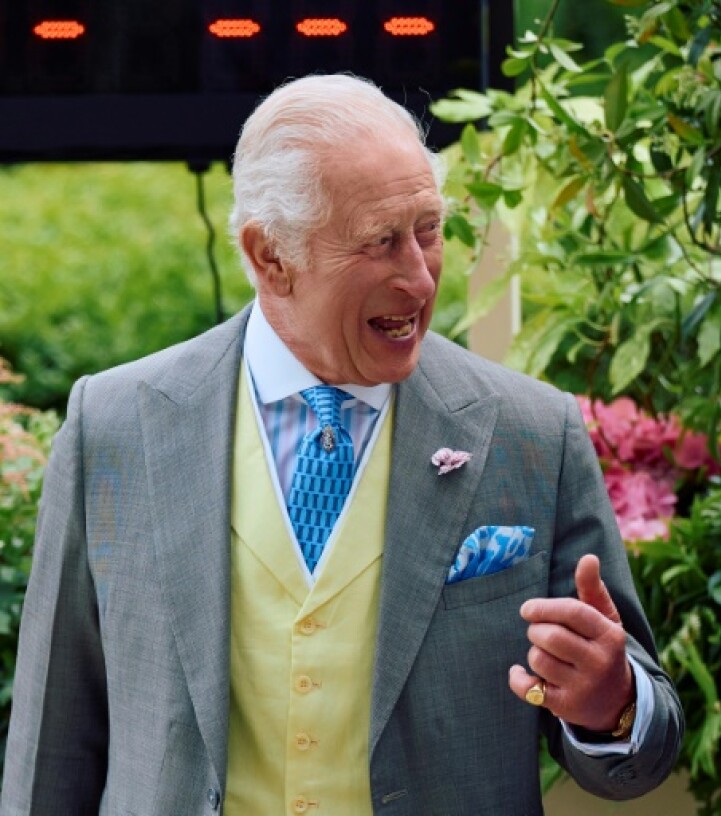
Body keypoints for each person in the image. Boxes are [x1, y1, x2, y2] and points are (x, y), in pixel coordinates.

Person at [0, 74, 682, 815]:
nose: (420, 279)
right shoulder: (114, 424)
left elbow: (642, 745)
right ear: (271, 258)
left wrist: (612, 706)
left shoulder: (531, 432)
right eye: (381, 243)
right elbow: (53, 742)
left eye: (429, 230)